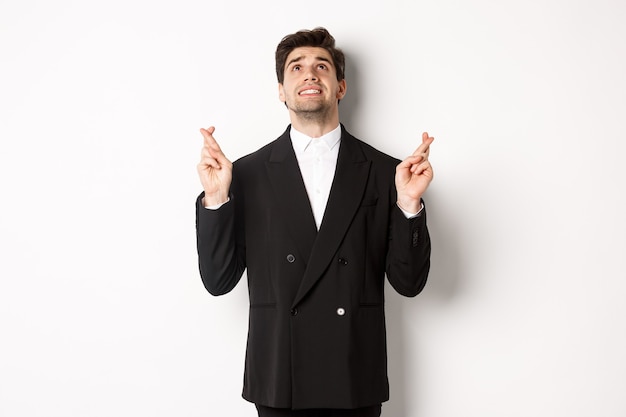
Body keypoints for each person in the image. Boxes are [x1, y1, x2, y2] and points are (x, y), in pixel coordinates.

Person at [195, 27, 433, 417]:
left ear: (340, 87)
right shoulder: (246, 174)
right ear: (281, 90)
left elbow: (409, 284)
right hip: (280, 377)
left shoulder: (387, 172)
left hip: (354, 374)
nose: (309, 74)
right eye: (296, 67)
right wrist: (217, 198)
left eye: (321, 66)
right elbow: (217, 281)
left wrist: (408, 203)